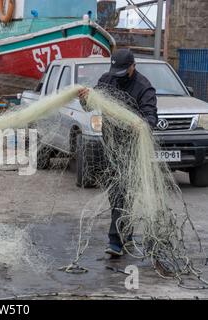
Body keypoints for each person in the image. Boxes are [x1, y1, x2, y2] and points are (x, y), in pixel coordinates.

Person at [78, 49, 158, 256]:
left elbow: (151, 117)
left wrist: (142, 125)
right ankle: (126, 233)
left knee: (120, 192)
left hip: (131, 149)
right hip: (110, 145)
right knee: (119, 195)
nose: (119, 75)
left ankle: (115, 242)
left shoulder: (144, 87)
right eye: (116, 71)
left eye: (124, 70)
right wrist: (84, 99)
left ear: (133, 66)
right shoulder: (107, 79)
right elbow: (88, 107)